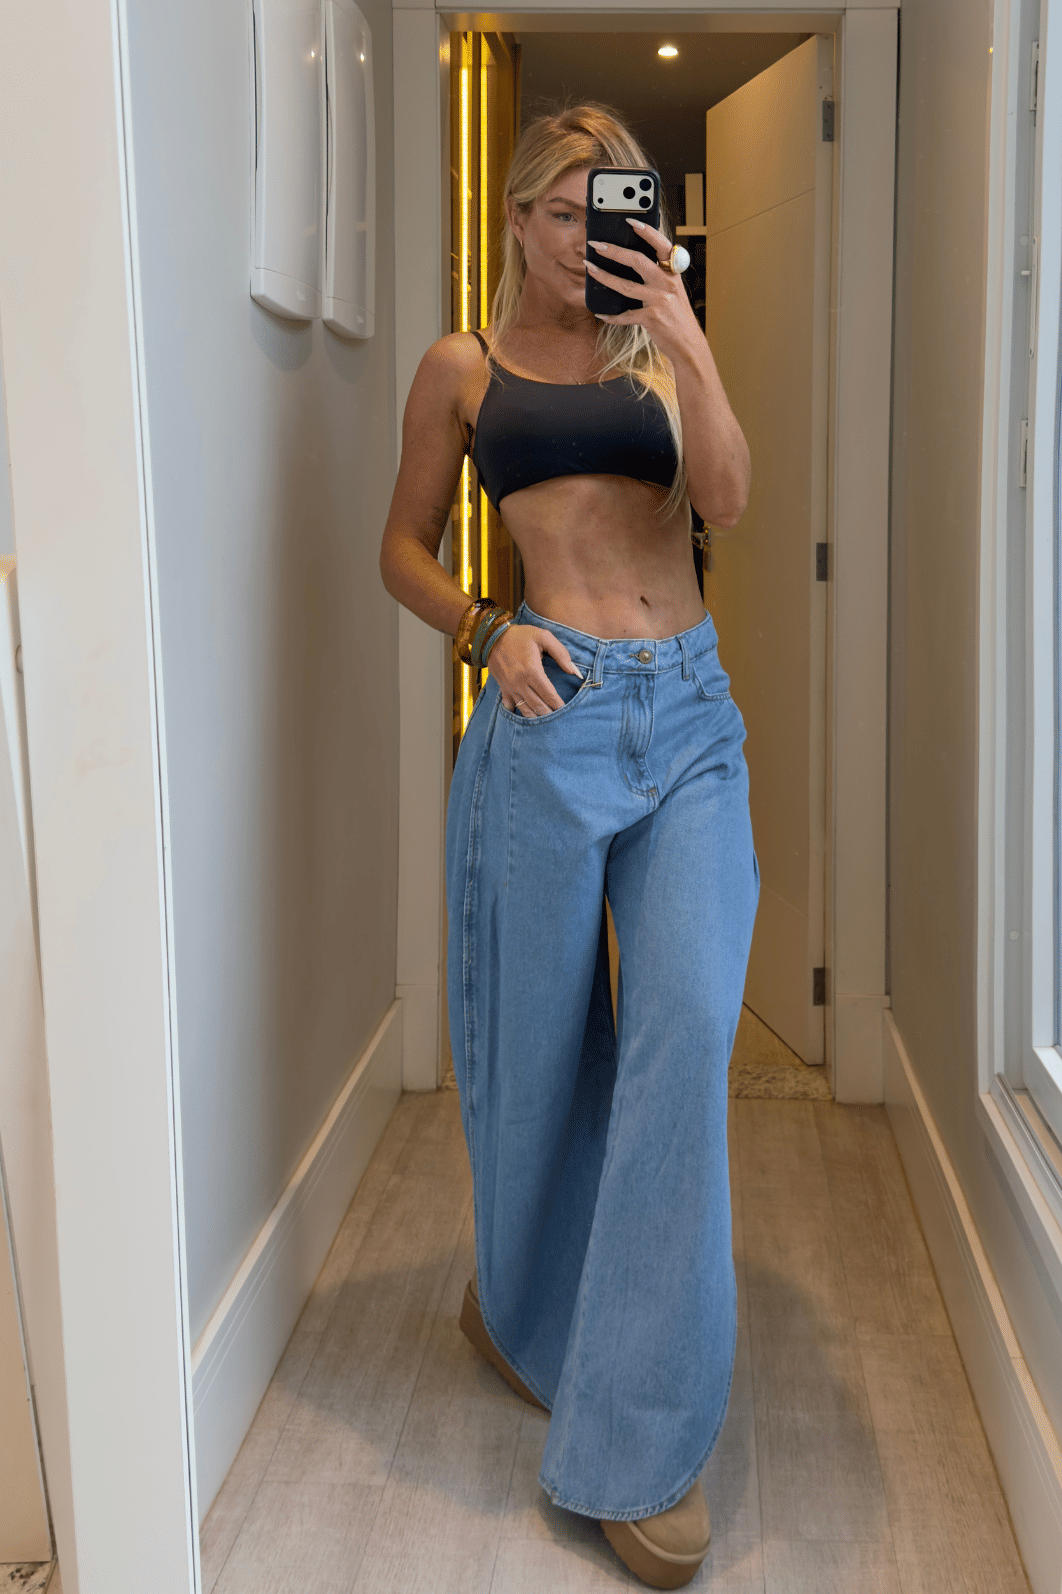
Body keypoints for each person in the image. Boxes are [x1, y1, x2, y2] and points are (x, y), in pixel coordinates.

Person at [379, 102, 759, 1590]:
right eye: (568, 213)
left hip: (689, 724)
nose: (592, 238)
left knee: (682, 1032)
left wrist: (689, 337)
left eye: (619, 209)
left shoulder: (656, 352)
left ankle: (639, 1438)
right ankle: (523, 1306)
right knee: (532, 1053)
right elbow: (400, 550)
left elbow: (727, 500)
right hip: (549, 721)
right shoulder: (461, 369)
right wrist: (486, 629)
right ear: (520, 217)